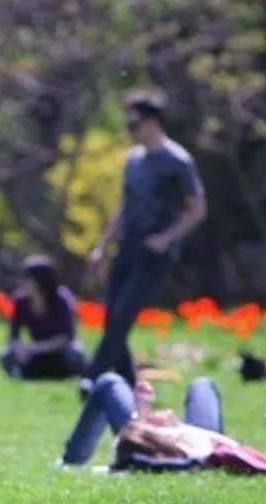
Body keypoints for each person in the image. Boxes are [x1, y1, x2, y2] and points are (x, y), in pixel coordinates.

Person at [80, 90, 207, 398]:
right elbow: (124, 209)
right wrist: (103, 248)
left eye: (134, 123)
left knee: (124, 313)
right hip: (128, 247)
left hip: (155, 251)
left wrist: (166, 238)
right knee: (112, 316)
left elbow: (197, 209)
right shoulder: (134, 161)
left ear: (152, 122)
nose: (130, 130)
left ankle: (93, 377)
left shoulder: (178, 161)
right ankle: (130, 386)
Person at [58, 373, 266, 482]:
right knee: (202, 385)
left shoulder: (138, 442)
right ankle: (70, 459)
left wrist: (145, 414)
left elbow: (136, 439)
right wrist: (170, 425)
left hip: (159, 435)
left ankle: (70, 460)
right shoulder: (202, 452)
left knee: (108, 382)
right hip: (189, 437)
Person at [0, 255, 88, 381]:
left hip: (58, 350)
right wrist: (19, 349)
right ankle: (21, 375)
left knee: (76, 354)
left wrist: (35, 348)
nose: (21, 283)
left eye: (26, 279)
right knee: (6, 354)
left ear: (40, 282)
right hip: (34, 352)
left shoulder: (61, 300)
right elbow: (13, 335)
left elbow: (67, 337)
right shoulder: (20, 302)